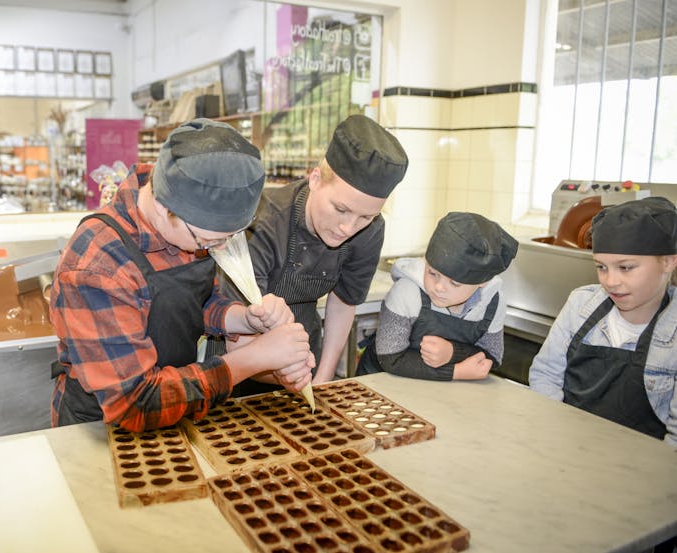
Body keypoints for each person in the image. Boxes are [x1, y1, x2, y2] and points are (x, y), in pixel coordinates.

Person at [50, 118, 314, 431]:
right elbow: (135, 403)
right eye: (209, 241)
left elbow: (193, 300)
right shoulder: (99, 266)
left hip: (177, 407)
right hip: (106, 426)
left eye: (228, 238)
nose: (217, 247)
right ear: (164, 208)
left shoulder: (184, 218)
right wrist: (251, 360)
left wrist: (242, 319)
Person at [211, 115, 409, 395]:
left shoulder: (371, 230)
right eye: (340, 209)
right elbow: (238, 334)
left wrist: (322, 379)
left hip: (303, 356)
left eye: (365, 216)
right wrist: (288, 375)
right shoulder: (264, 222)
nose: (348, 228)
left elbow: (343, 302)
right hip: (240, 364)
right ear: (315, 179)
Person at [529, 197, 677, 446]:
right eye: (601, 267)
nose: (610, 281)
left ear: (669, 261)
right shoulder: (580, 305)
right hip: (565, 445)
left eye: (626, 268)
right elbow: (546, 375)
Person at [356, 212, 518, 381]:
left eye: (454, 283)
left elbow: (492, 357)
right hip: (378, 384)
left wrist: (452, 352)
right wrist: (456, 371)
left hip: (434, 391)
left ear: (483, 282)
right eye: (432, 273)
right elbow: (390, 357)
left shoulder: (493, 302)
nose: (439, 287)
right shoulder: (407, 291)